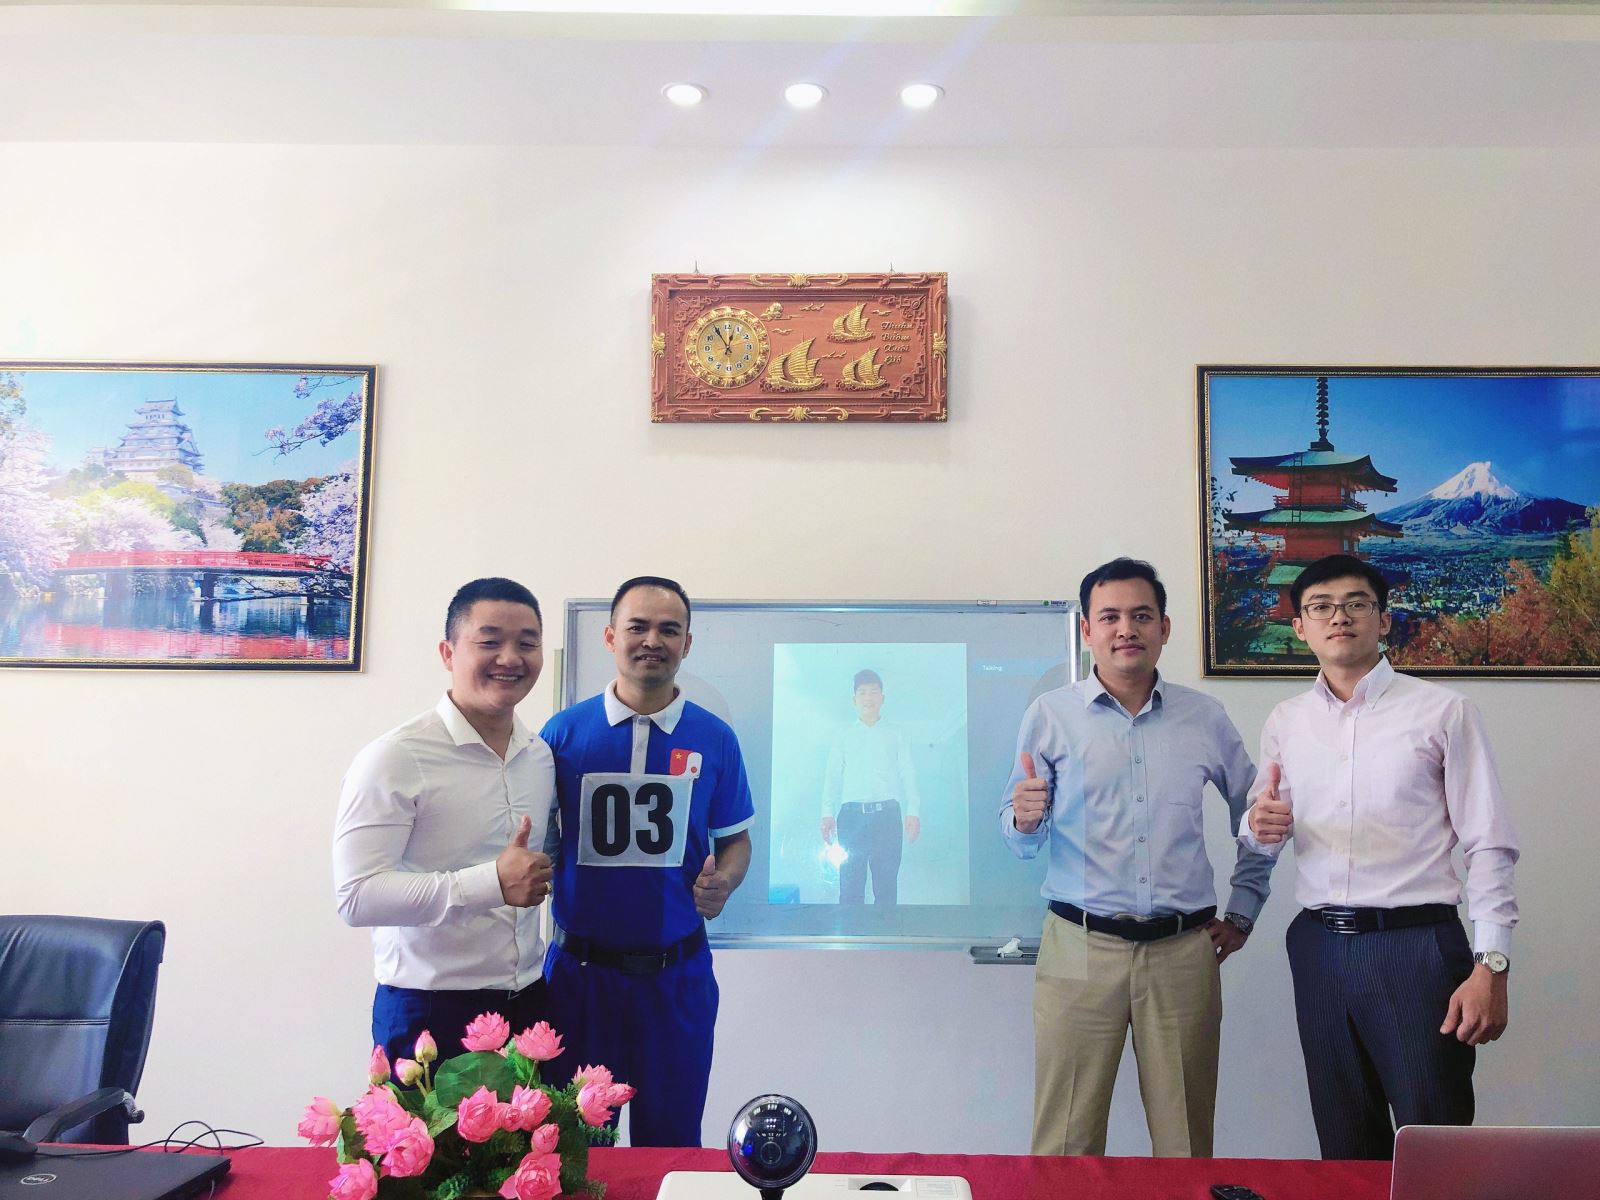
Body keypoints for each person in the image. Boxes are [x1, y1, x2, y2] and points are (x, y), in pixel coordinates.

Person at [1242, 553, 1519, 1161]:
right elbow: (1263, 826)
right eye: (1321, 607)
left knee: (1433, 1139)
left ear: (1384, 619)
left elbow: (1489, 843)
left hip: (1416, 947)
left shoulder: (1443, 711)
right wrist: (1257, 827)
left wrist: (1491, 965)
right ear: (1300, 627)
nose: (1338, 617)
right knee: (1344, 1140)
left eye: (1356, 604)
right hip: (1318, 946)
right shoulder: (1287, 721)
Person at [1000, 557, 1276, 1157]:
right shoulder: (1050, 716)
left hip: (1182, 952)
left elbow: (1258, 819)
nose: (1126, 629)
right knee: (1065, 1144)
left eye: (1142, 616)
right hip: (1079, 947)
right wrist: (1024, 818)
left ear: (1165, 628)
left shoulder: (1205, 717)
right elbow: (1022, 841)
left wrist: (1244, 909)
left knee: (1184, 1144)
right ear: (1087, 630)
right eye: (1110, 617)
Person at [540, 576, 754, 1147]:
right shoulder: (562, 734)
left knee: (673, 1145)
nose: (652, 640)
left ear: (687, 643)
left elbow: (735, 839)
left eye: (669, 629)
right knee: (576, 1149)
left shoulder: (716, 738)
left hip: (677, 978)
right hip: (581, 980)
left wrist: (725, 881)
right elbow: (537, 839)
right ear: (611, 636)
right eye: (638, 626)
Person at [334, 577, 555, 1064]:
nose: (510, 658)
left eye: (527, 643)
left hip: (530, 1003)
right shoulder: (396, 757)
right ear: (448, 653)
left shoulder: (539, 756)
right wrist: (491, 883)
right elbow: (357, 896)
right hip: (430, 1013)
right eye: (489, 642)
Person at [820, 669, 922, 905]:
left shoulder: (896, 733)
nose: (868, 698)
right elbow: (832, 776)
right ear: (854, 700)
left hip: (887, 817)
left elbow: (908, 772)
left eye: (874, 692)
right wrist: (826, 813)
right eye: (862, 693)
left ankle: (884, 930)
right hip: (851, 817)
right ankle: (851, 930)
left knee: (886, 891)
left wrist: (913, 811)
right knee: (850, 889)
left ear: (882, 698)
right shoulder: (843, 735)